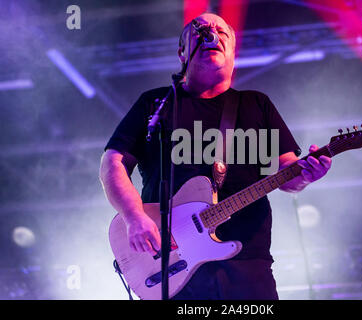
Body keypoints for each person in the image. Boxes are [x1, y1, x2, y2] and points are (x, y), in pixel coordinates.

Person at [99, 13, 331, 300]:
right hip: (170, 265)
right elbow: (113, 162)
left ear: (233, 50)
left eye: (221, 31)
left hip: (246, 267)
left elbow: (286, 176)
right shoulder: (155, 103)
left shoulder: (255, 105)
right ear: (182, 51)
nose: (212, 34)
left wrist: (306, 174)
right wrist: (134, 217)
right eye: (201, 30)